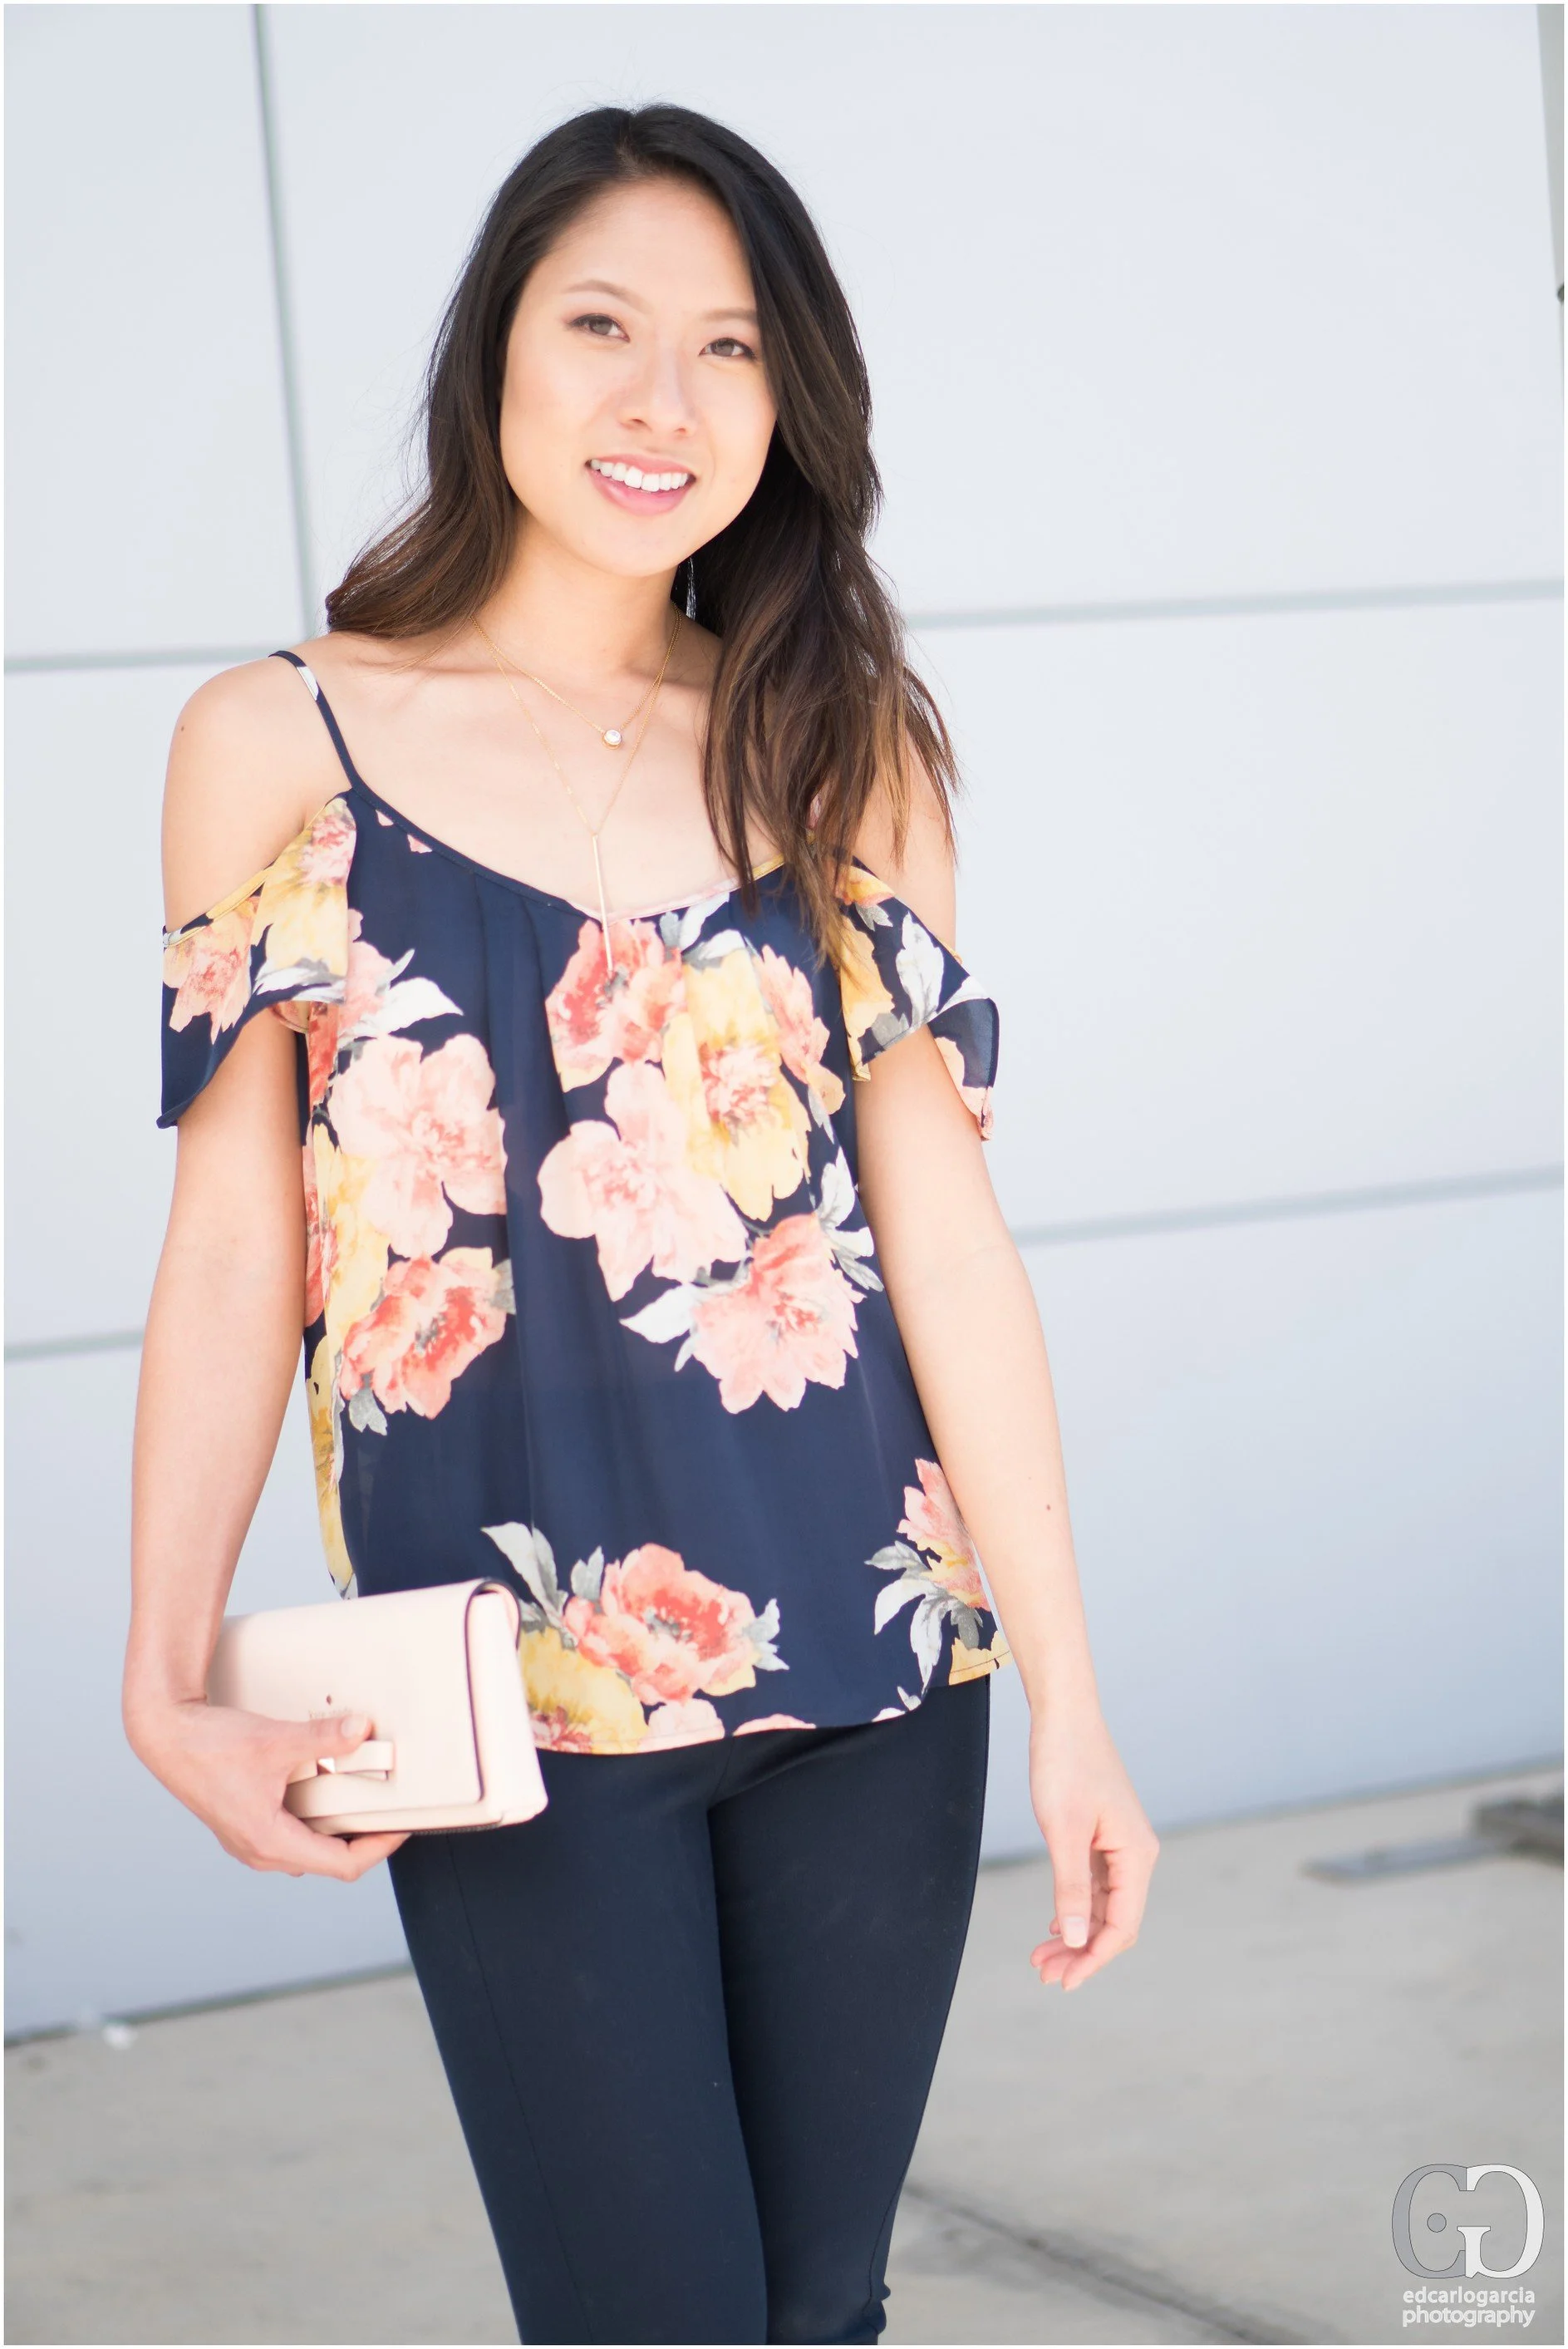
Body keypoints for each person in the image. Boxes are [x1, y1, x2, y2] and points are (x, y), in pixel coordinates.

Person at [124, 102, 1158, 2347]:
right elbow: (233, 1246)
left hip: (881, 1682)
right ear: (492, 349)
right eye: (600, 325)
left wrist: (1070, 1699)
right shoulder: (280, 741)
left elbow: (944, 1244)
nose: (659, 402)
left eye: (729, 349)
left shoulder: (841, 738)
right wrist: (160, 1661)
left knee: (819, 2314)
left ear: (793, 408)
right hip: (511, 1697)